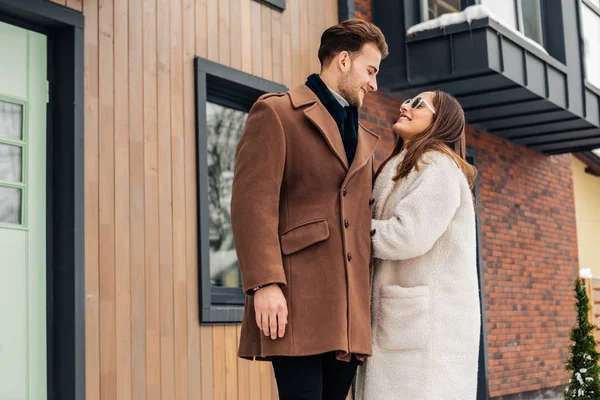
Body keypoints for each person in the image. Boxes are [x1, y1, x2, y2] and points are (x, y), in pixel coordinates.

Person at [230, 18, 388, 400]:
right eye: (371, 70)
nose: (374, 84)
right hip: (297, 299)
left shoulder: (363, 139)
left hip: (348, 315)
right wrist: (265, 283)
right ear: (344, 61)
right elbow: (252, 204)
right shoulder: (278, 114)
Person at [356, 91, 481, 400]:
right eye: (407, 102)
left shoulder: (438, 167)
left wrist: (349, 233)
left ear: (440, 122)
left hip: (426, 338)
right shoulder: (400, 164)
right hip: (401, 324)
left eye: (417, 104)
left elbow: (407, 235)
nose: (404, 106)